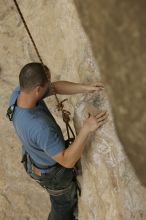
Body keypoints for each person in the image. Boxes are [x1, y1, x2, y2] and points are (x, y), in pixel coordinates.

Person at [7, 62, 108, 220]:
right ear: (38, 89)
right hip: (53, 175)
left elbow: (54, 88)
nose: (50, 86)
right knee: (62, 205)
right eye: (46, 84)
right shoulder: (40, 127)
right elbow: (67, 161)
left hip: (34, 157)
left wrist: (85, 87)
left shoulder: (18, 95)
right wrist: (87, 128)